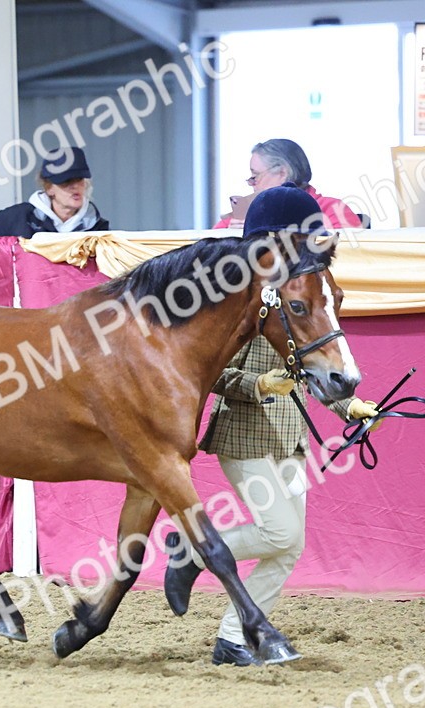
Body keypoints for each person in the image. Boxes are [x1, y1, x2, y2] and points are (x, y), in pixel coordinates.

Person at [165, 184, 379, 667]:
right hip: (244, 433)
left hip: (290, 437)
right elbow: (208, 373)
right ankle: (191, 554)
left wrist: (352, 408)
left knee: (288, 547)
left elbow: (312, 368)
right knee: (282, 534)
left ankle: (233, 640)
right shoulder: (238, 302)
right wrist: (259, 384)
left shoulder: (305, 293)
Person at [214, 138, 361, 230]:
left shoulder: (332, 211)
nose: (252, 184)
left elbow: (348, 261)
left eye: (255, 176)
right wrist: (229, 241)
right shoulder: (242, 217)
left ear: (283, 173)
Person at [0, 147, 110, 237]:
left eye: (79, 179)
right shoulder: (17, 219)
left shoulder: (99, 229)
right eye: (66, 181)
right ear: (49, 188)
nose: (75, 186)